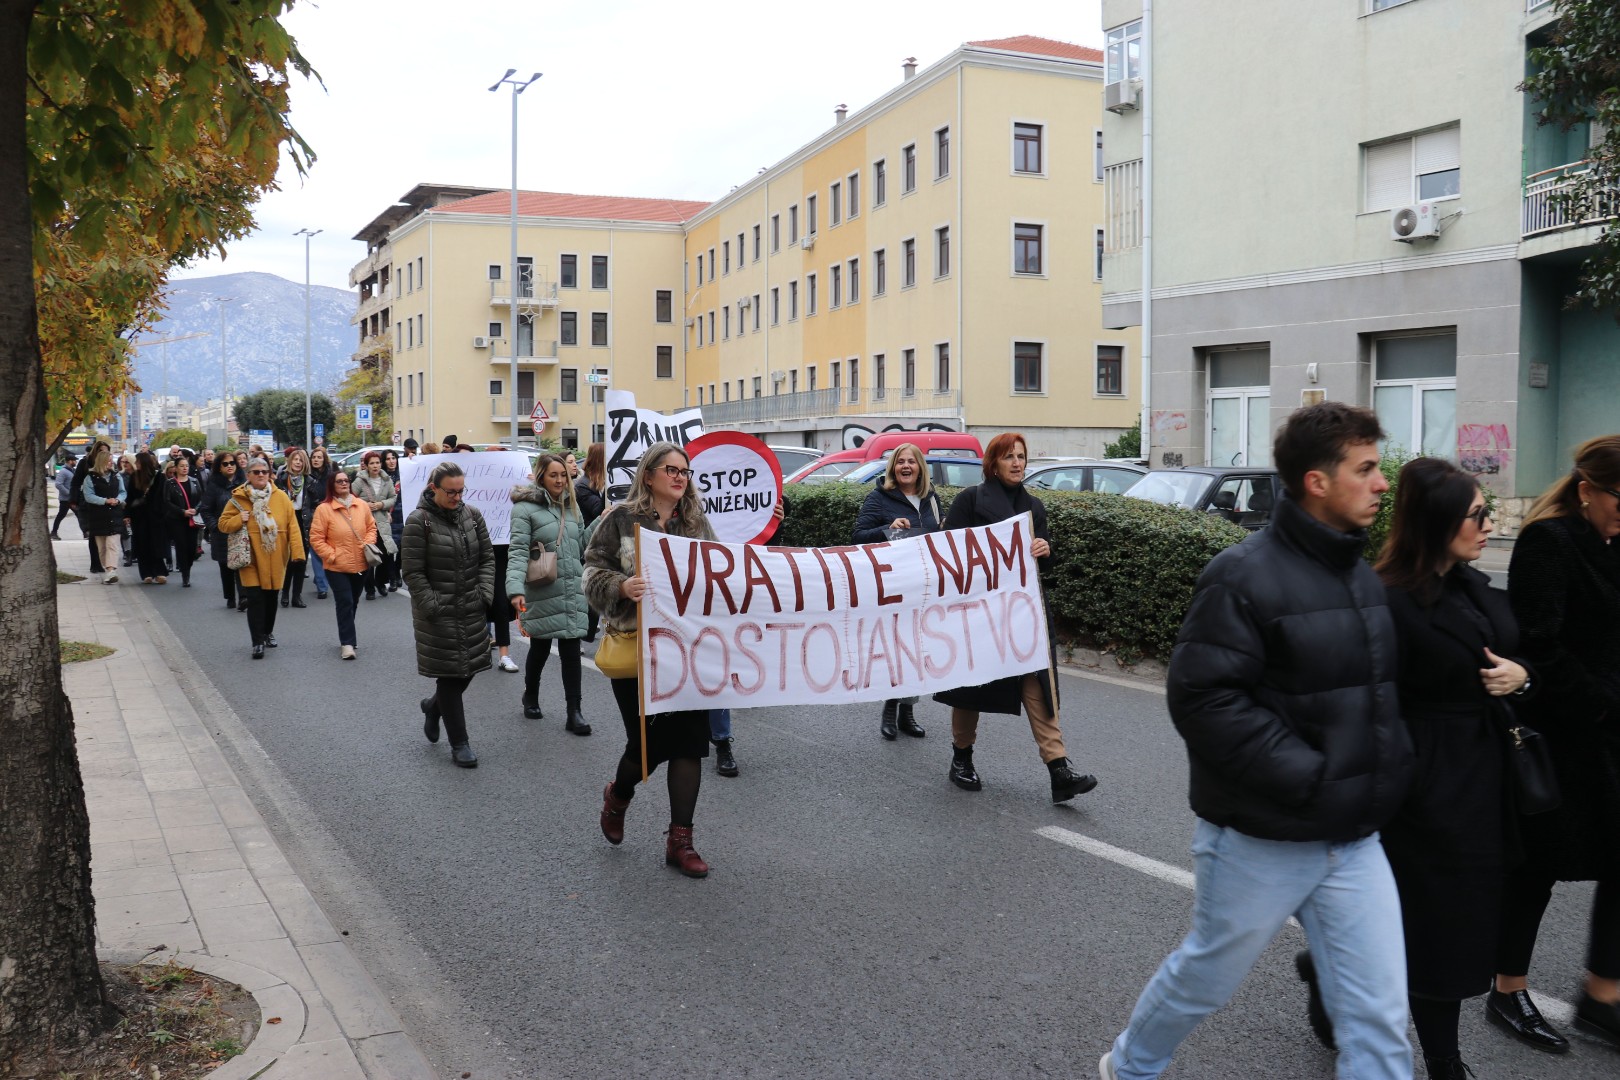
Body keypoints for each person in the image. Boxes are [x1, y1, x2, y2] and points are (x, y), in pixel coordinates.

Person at [1100, 402, 1414, 1080]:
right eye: (1365, 469)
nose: (1382, 483)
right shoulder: (1241, 575)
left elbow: (1374, 696)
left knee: (1381, 1023)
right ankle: (1128, 1068)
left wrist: (1392, 768)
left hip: (1355, 841)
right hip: (1261, 838)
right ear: (1316, 482)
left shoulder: (1360, 576)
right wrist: (1309, 775)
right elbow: (1204, 699)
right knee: (1203, 982)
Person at [1362, 458, 1533, 1080]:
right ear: (1438, 523)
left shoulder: (1473, 584)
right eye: (1477, 515)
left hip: (1485, 775)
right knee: (1439, 927)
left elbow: (1518, 654)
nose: (1489, 525)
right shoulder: (1386, 599)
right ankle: (1444, 1061)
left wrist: (1522, 675)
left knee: (1462, 918)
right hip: (1425, 785)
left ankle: (1326, 971)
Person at [1488, 434, 1620, 1051]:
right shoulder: (1549, 541)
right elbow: (1541, 644)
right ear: (1588, 489)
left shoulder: (1614, 539)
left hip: (1613, 733)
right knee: (1537, 866)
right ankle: (1507, 989)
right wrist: (1601, 707)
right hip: (1565, 734)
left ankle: (1602, 994)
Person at [935, 433, 1096, 802]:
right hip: (980, 613)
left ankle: (1059, 770)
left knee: (1038, 685)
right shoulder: (970, 500)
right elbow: (952, 553)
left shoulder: (1033, 506)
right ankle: (962, 759)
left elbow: (1045, 566)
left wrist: (1045, 549)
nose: (1017, 463)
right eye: (1009, 457)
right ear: (993, 462)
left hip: (1024, 614)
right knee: (970, 686)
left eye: (1021, 457)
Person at [583, 441, 716, 877]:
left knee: (691, 743)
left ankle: (681, 841)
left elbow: (720, 571)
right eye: (672, 470)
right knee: (646, 747)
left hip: (687, 650)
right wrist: (620, 588)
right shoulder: (620, 520)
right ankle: (618, 796)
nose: (680, 477)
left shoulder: (696, 523)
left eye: (686, 471)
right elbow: (592, 571)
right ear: (650, 474)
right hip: (636, 649)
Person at [403, 461, 495, 768]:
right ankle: (460, 744)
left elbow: (487, 559)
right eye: (451, 492)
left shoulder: (473, 515)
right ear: (434, 489)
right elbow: (413, 572)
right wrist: (432, 605)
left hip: (470, 605)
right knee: (451, 673)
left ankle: (432, 708)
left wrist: (484, 593)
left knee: (467, 670)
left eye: (460, 491)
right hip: (439, 612)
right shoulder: (420, 521)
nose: (457, 497)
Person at [854, 442, 942, 740]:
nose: (906, 466)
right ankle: (890, 708)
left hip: (924, 585)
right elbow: (857, 536)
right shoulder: (879, 498)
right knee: (898, 647)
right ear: (893, 468)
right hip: (893, 586)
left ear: (920, 468)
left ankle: (907, 712)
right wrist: (887, 527)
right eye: (901, 462)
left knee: (918, 649)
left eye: (912, 462)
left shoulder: (930, 498)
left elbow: (939, 535)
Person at [507, 453, 590, 734]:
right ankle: (531, 694)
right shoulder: (525, 509)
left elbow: (581, 548)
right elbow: (517, 551)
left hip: (571, 588)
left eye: (563, 475)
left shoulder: (573, 507)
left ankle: (574, 711)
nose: (559, 480)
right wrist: (515, 589)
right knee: (540, 648)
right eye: (553, 474)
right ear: (541, 475)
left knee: (570, 652)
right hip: (542, 589)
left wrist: (602, 522)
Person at [217, 458, 305, 659]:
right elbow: (223, 524)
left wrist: (298, 554)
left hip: (275, 554)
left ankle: (267, 632)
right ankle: (257, 642)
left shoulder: (281, 497)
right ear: (248, 475)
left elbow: (293, 526)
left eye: (264, 471)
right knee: (255, 598)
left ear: (270, 474)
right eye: (255, 472)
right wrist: (240, 519)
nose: (261, 475)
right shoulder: (238, 498)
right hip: (250, 556)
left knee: (271, 597)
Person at [309, 470, 377, 661]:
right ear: (332, 485)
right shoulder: (324, 509)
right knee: (345, 601)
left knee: (353, 601)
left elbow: (371, 527)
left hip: (361, 563)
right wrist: (332, 555)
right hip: (336, 566)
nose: (344, 484)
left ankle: (348, 634)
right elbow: (316, 538)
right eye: (339, 481)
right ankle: (347, 643)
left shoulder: (361, 505)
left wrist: (368, 543)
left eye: (346, 480)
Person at [352, 451, 398, 600]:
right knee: (368, 555)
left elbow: (393, 498)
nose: (375, 466)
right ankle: (369, 588)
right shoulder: (359, 481)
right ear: (366, 465)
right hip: (364, 522)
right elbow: (351, 499)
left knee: (385, 553)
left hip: (382, 521)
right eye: (372, 463)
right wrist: (365, 505)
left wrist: (381, 504)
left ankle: (380, 582)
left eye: (377, 462)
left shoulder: (386, 480)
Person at [275, 446, 317, 608]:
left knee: (300, 560)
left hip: (303, 521)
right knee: (288, 560)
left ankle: (296, 596)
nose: (298, 463)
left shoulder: (310, 480)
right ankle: (284, 593)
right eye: (295, 460)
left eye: (301, 460)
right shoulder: (282, 478)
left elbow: (315, 503)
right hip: (286, 521)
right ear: (290, 461)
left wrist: (312, 517)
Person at [199, 453, 242, 608]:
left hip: (241, 530)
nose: (229, 466)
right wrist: (215, 526)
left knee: (242, 564)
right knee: (226, 566)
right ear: (219, 467)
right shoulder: (213, 486)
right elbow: (205, 510)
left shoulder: (244, 483)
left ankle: (243, 596)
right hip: (222, 532)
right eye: (225, 464)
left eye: (232, 463)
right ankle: (230, 597)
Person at [77, 444, 124, 583]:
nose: (111, 463)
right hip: (98, 517)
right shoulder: (90, 478)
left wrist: (118, 500)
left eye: (112, 460)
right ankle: (108, 568)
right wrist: (105, 501)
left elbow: (123, 492)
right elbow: (89, 496)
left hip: (114, 515)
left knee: (112, 544)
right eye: (108, 460)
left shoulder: (116, 477)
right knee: (102, 548)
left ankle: (111, 570)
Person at [124, 451, 169, 584]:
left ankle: (160, 572)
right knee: (142, 544)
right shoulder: (134, 477)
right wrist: (126, 514)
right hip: (139, 516)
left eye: (137, 462)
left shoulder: (159, 477)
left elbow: (164, 497)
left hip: (156, 517)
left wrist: (162, 513)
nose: (136, 464)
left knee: (156, 545)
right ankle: (146, 573)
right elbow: (130, 497)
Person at [578, 442, 608, 642]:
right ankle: (582, 633)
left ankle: (585, 633)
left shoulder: (597, 483)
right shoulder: (582, 485)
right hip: (588, 544)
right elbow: (598, 510)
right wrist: (609, 490)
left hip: (602, 543)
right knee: (590, 593)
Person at [162, 455, 206, 587]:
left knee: (192, 549)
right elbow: (167, 502)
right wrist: (182, 512)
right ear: (175, 468)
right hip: (177, 520)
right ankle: (185, 574)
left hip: (192, 519)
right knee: (181, 546)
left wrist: (195, 510)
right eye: (181, 466)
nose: (185, 468)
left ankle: (188, 565)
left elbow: (201, 498)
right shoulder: (170, 483)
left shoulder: (194, 481)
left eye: (186, 466)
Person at [306, 445, 335, 599]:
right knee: (316, 550)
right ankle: (322, 585)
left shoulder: (331, 476)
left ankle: (321, 579)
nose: (316, 460)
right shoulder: (306, 475)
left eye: (319, 457)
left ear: (324, 460)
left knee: (327, 549)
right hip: (311, 517)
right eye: (314, 457)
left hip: (329, 516)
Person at [382, 449, 406, 592]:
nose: (391, 461)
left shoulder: (403, 474)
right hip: (387, 516)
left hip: (403, 516)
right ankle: (392, 578)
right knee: (389, 550)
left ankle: (397, 571)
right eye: (388, 459)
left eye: (394, 458)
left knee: (403, 548)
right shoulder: (381, 477)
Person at [51, 454, 78, 539]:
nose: (76, 462)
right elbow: (58, 484)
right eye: (74, 460)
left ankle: (86, 532)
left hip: (72, 499)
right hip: (65, 500)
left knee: (79, 514)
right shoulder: (63, 471)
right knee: (61, 515)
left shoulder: (72, 470)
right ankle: (53, 533)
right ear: (70, 461)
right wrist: (68, 493)